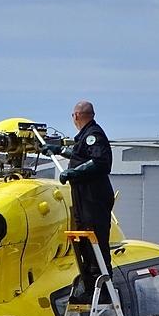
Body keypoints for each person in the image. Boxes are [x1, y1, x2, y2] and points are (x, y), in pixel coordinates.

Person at [43, 100, 115, 303]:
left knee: (94, 241)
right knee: (83, 242)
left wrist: (74, 172)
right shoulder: (86, 136)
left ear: (77, 116)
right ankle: (90, 287)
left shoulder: (94, 135)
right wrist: (58, 150)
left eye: (73, 115)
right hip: (84, 198)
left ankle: (102, 289)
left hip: (94, 198)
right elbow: (81, 155)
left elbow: (100, 162)